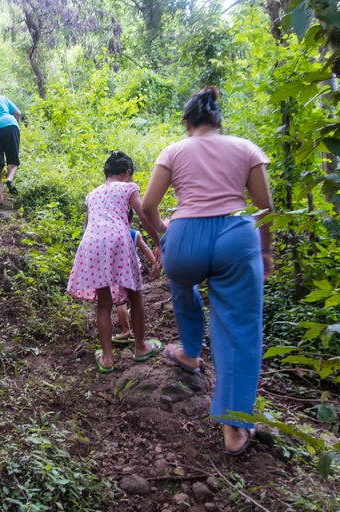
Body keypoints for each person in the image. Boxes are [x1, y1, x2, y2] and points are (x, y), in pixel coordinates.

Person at [141, 86, 274, 457]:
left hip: (185, 235)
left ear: (187, 123)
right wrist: (264, 250)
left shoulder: (174, 150)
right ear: (219, 120)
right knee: (239, 326)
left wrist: (166, 239)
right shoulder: (246, 148)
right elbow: (264, 207)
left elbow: (150, 206)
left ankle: (188, 351)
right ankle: (233, 427)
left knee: (182, 284)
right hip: (236, 236)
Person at [67, 151, 163, 373]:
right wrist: (158, 243)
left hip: (91, 242)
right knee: (134, 294)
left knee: (104, 302)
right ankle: (140, 347)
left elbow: (90, 224)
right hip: (118, 238)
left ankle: (108, 358)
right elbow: (144, 215)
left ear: (106, 173)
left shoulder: (92, 194)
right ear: (127, 173)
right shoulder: (128, 187)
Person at [114, 210, 158, 343]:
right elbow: (145, 249)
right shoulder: (134, 234)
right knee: (135, 301)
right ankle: (138, 332)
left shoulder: (112, 235)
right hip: (133, 271)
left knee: (120, 302)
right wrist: (155, 263)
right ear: (131, 221)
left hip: (116, 273)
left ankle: (126, 330)